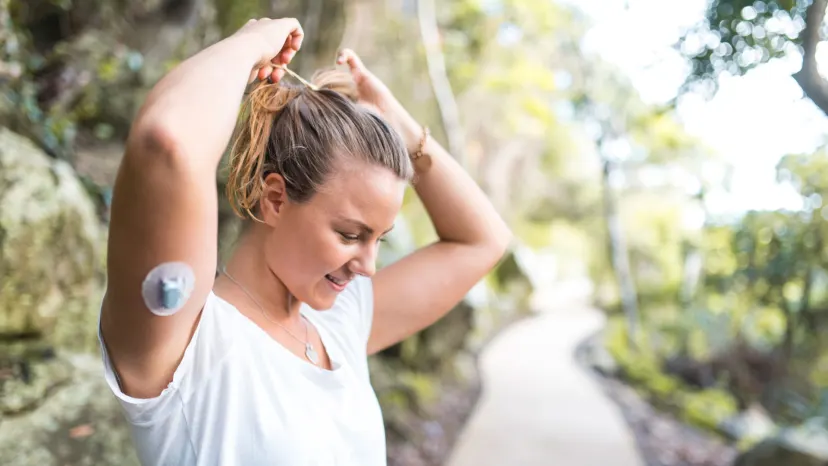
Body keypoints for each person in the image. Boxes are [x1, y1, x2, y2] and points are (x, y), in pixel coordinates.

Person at [99, 17, 511, 465]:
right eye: (350, 235)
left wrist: (403, 130)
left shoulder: (339, 326)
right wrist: (252, 42)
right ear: (276, 199)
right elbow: (168, 141)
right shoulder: (185, 340)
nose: (368, 266)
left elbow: (483, 241)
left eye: (378, 239)